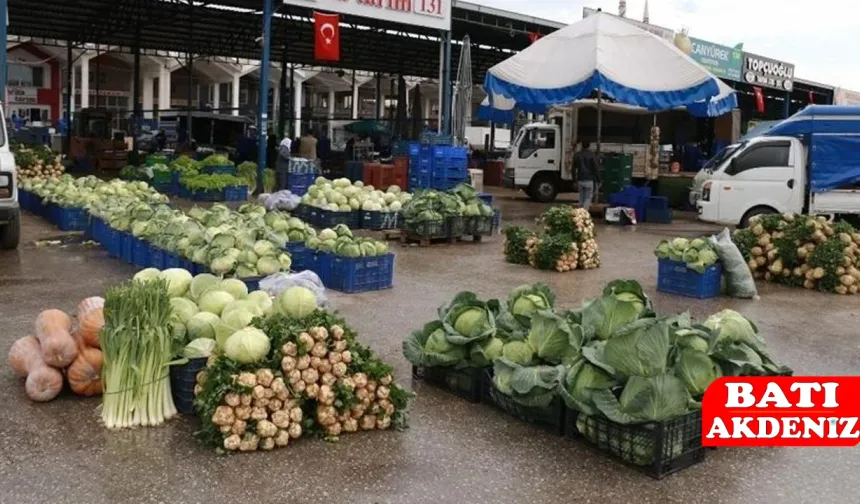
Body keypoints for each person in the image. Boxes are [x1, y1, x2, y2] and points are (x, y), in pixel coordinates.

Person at [575, 141, 600, 210]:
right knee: (588, 198)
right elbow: (596, 169)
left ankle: (579, 214)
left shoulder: (577, 155)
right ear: (589, 146)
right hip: (589, 179)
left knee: (581, 197)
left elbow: (573, 169)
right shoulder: (592, 155)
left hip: (580, 179)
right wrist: (598, 180)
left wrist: (574, 180)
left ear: (581, 146)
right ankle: (584, 213)